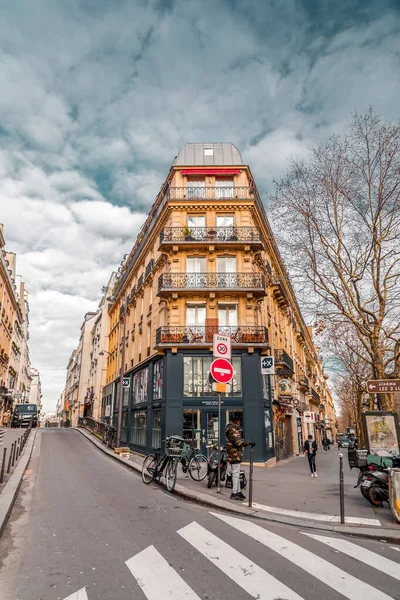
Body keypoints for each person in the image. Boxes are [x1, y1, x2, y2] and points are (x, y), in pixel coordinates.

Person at [225, 417, 254, 501]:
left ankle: (238, 491)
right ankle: (234, 493)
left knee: (236, 473)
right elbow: (238, 443)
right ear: (236, 421)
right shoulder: (233, 430)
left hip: (233, 454)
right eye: (239, 421)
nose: (239, 423)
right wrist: (248, 443)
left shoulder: (230, 429)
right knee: (236, 474)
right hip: (234, 454)